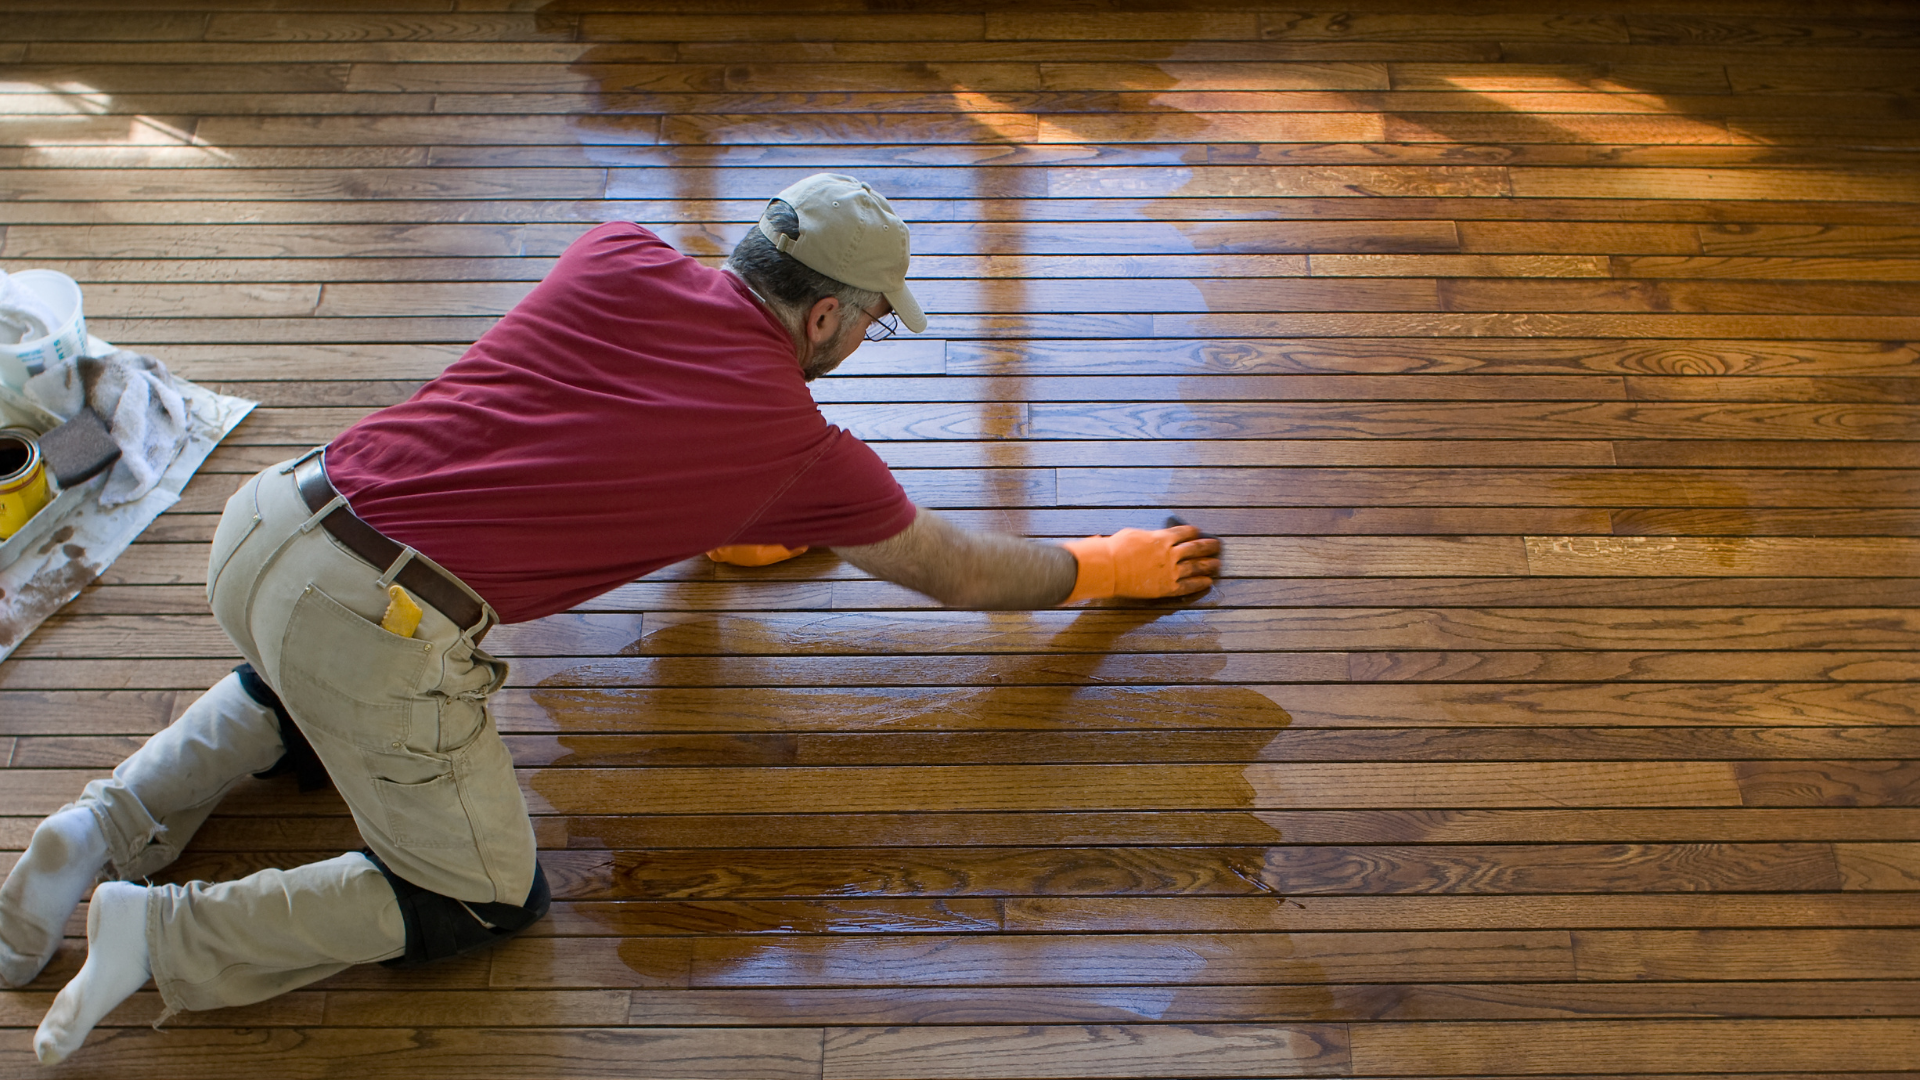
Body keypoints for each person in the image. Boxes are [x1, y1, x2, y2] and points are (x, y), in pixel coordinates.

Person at [0, 173, 1221, 1063]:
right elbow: (958, 575)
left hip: (271, 523)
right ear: (826, 319)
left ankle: (94, 826)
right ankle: (158, 932)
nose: (861, 343)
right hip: (374, 621)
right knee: (476, 899)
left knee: (298, 691)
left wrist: (729, 517)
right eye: (868, 323)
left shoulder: (614, 254)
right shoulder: (797, 441)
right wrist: (1104, 568)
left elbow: (597, 421)